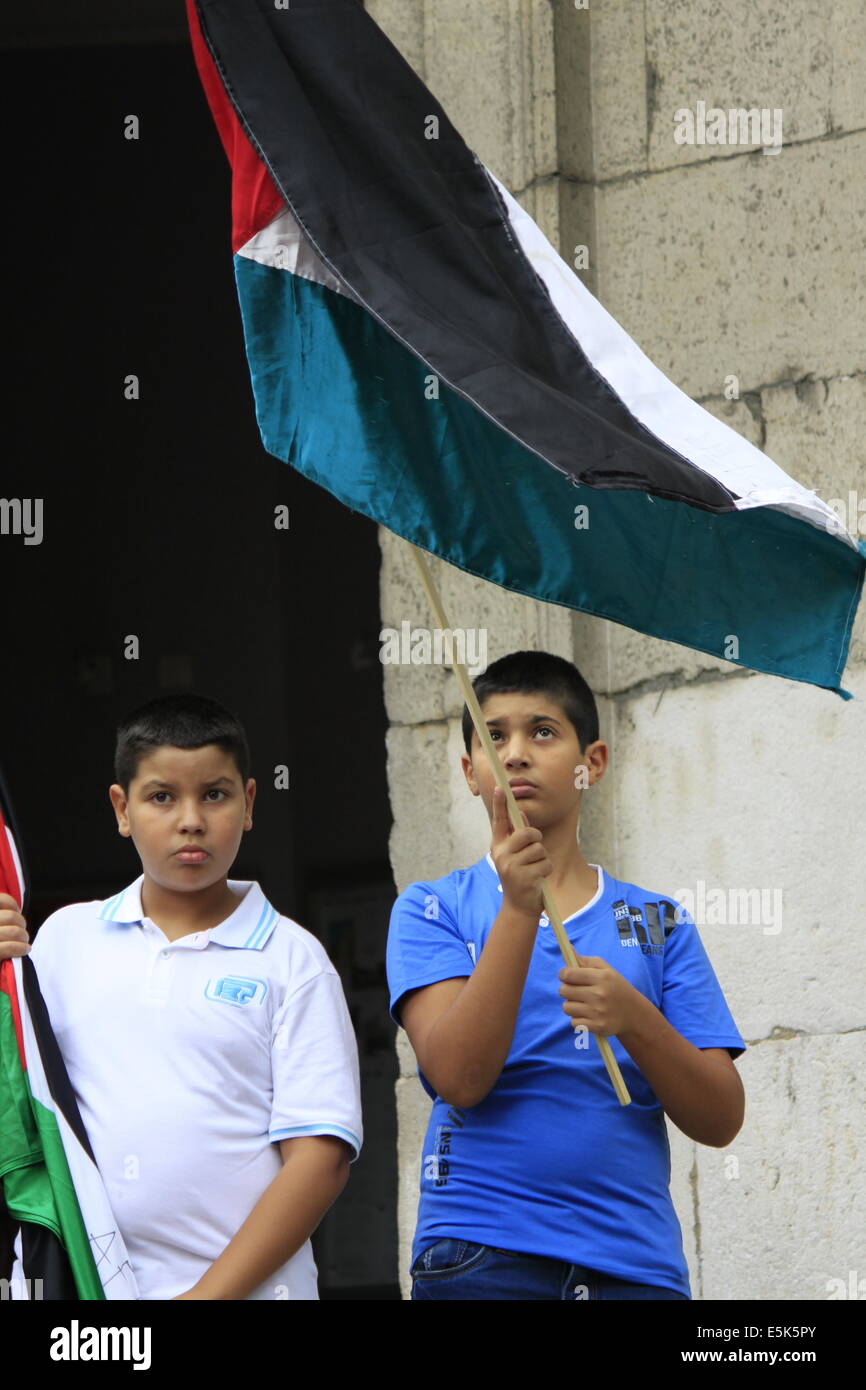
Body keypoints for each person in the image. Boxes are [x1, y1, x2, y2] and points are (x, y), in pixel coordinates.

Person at [386, 650, 746, 1301]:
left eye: (542, 731)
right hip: (482, 1255)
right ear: (470, 772)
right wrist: (521, 907)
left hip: (633, 1267)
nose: (516, 754)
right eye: (494, 736)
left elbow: (721, 1118)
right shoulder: (432, 907)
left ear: (593, 764)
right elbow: (460, 1078)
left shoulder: (654, 922)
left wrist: (635, 1018)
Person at [0, 693, 361, 1300]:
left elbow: (320, 1160)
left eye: (214, 795)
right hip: (92, 1297)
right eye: (162, 796)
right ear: (122, 808)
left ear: (248, 803)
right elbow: (18, 1104)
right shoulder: (61, 941)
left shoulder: (293, 959)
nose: (190, 819)